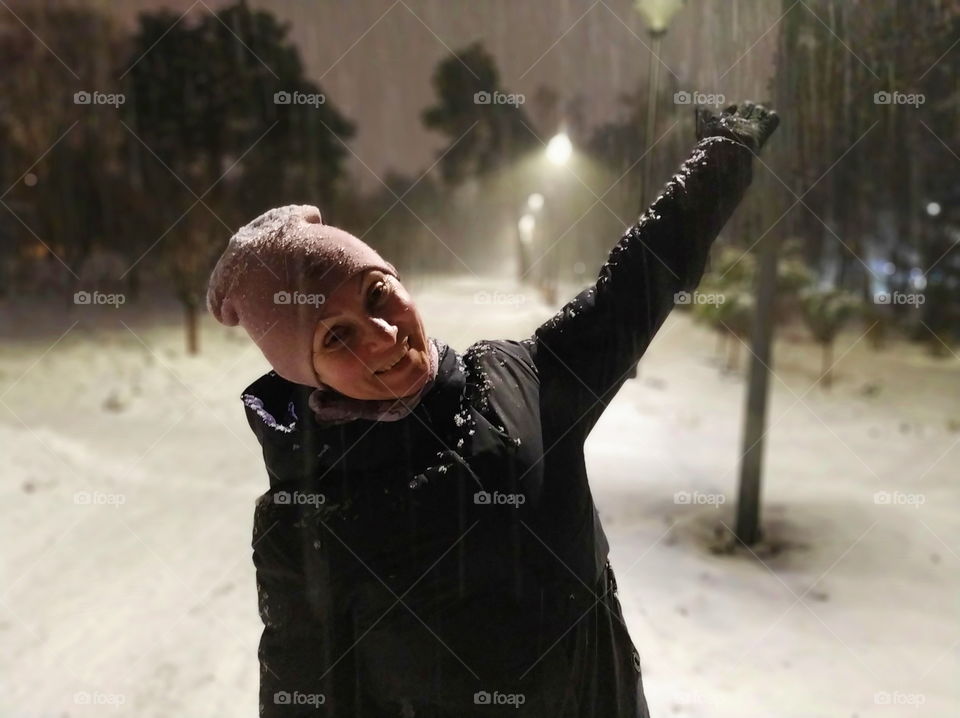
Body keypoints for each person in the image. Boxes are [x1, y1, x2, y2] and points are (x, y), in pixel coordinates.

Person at [206, 101, 780, 717]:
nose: (381, 334)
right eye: (336, 337)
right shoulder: (307, 519)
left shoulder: (517, 382)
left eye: (377, 293)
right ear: (305, 372)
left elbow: (635, 287)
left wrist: (722, 155)